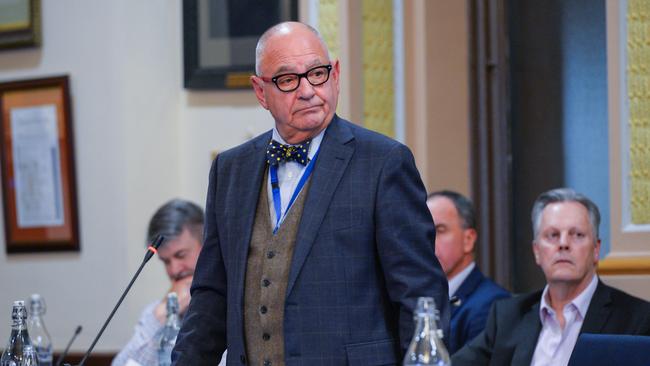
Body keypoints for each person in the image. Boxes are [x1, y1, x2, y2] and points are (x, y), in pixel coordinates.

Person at [172, 21, 449, 365]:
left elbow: (420, 295)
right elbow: (212, 295)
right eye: (288, 80)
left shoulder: (383, 162)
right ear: (260, 92)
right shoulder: (231, 169)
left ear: (335, 75)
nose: (307, 90)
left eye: (317, 73)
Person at [452, 188, 650, 366]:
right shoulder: (509, 316)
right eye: (552, 235)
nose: (563, 244)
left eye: (577, 235)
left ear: (596, 250)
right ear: (537, 251)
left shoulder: (637, 319)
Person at [113, 199, 226, 366]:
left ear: (206, 245)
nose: (174, 270)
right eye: (166, 261)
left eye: (181, 255)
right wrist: (160, 317)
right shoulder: (156, 311)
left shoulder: (231, 309)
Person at [427, 190, 509, 354]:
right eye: (425, 232)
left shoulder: (492, 304)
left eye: (440, 230)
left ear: (468, 240)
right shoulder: (418, 298)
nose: (428, 241)